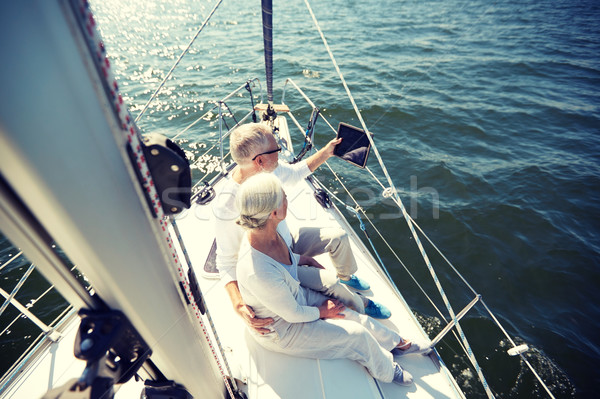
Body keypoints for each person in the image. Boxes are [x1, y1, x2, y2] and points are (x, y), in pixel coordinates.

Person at [235, 173, 429, 386]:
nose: (287, 198)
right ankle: (387, 371)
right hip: (282, 329)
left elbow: (286, 265)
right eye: (283, 196)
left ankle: (398, 343)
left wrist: (301, 258)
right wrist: (323, 312)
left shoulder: (267, 231)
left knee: (352, 315)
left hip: (294, 297)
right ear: (273, 212)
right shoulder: (258, 270)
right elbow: (292, 314)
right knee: (356, 335)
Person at [213, 123, 390, 335]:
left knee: (338, 237)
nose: (280, 152)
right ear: (259, 161)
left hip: (289, 243)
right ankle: (358, 303)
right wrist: (238, 303)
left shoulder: (270, 168)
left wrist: (328, 151)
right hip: (275, 265)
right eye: (276, 149)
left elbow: (297, 173)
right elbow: (225, 261)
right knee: (329, 288)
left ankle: (346, 276)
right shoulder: (227, 205)